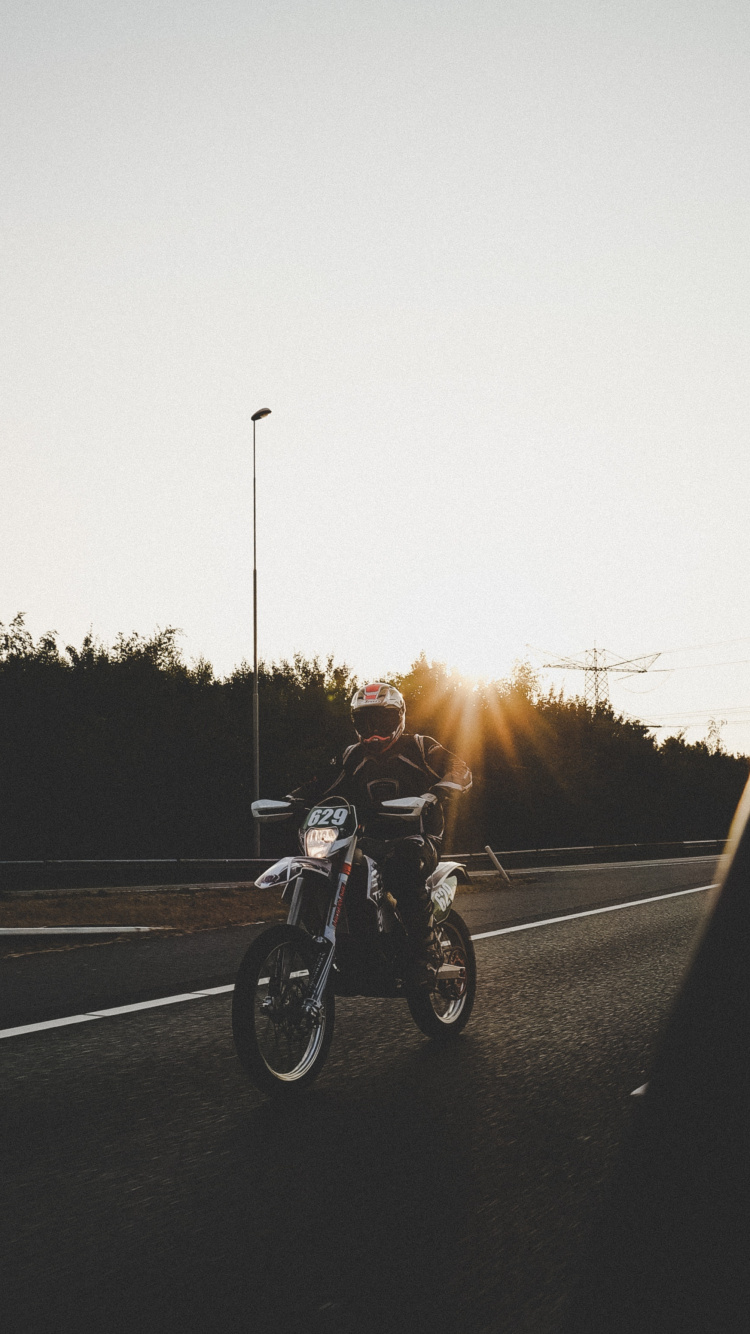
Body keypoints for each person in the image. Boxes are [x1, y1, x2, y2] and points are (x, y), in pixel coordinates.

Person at [288, 682, 472, 982]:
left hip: (418, 837)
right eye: (365, 722)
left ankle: (425, 953)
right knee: (336, 869)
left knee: (403, 864)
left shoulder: (420, 746)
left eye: (382, 721)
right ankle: (354, 948)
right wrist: (293, 799)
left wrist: (438, 790)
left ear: (399, 717)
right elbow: (322, 782)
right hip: (368, 840)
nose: (373, 731)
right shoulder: (352, 755)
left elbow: (460, 768)